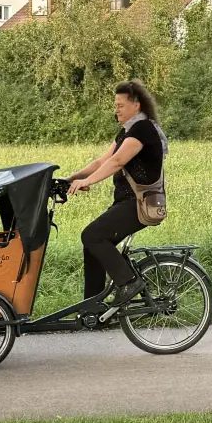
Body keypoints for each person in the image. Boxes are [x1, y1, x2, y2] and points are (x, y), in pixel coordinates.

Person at [67, 80, 168, 307]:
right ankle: (93, 308)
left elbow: (117, 161)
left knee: (92, 236)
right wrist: (71, 178)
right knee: (93, 244)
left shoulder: (143, 130)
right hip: (126, 202)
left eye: (121, 105)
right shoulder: (128, 131)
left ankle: (129, 283)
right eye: (116, 105)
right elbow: (102, 160)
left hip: (139, 203)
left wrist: (88, 181)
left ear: (136, 105)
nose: (117, 109)